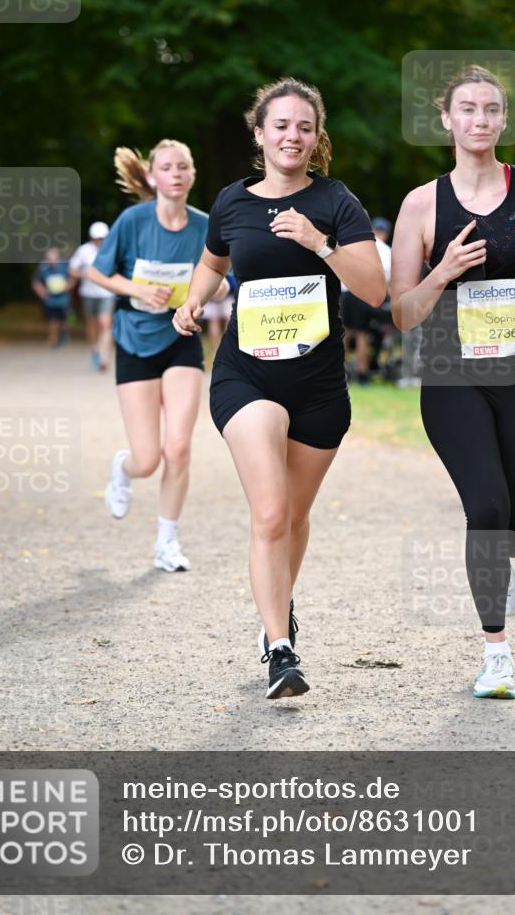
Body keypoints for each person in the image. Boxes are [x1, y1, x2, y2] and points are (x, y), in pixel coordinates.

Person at [173, 78, 386, 700]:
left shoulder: (336, 201)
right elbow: (214, 263)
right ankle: (280, 648)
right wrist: (193, 302)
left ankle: (278, 607)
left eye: (304, 127)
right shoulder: (232, 203)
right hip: (247, 376)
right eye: (281, 125)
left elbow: (374, 290)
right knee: (269, 512)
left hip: (319, 385)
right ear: (259, 132)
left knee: (294, 515)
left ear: (316, 138)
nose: (292, 136)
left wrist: (318, 242)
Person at [391, 65, 515, 699]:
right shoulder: (422, 204)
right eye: (467, 109)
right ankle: (495, 652)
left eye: (491, 110)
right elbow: (401, 311)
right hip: (453, 374)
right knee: (488, 510)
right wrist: (441, 271)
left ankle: (499, 563)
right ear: (445, 119)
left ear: (503, 120)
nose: (480, 119)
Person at [87, 140, 228, 572]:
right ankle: (123, 469)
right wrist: (139, 290)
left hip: (181, 338)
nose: (176, 174)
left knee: (179, 446)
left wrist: (199, 297)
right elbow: (96, 271)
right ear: (152, 177)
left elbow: (224, 283)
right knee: (147, 458)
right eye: (167, 167)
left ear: (192, 174)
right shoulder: (132, 221)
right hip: (134, 340)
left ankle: (167, 541)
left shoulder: (205, 226)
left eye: (183, 166)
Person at [340, 216, 392, 383]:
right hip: (364, 293)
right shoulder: (386, 250)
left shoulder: (355, 242)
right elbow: (388, 282)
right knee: (362, 333)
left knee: (344, 332)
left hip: (345, 291)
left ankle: (341, 370)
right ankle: (362, 373)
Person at [69, 221, 115, 371]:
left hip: (107, 292)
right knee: (92, 324)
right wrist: (84, 274)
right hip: (88, 293)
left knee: (106, 323)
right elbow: (72, 269)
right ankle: (94, 349)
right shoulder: (84, 251)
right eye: (97, 238)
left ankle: (104, 356)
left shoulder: (113, 249)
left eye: (102, 238)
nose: (99, 241)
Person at [31, 247, 74, 347]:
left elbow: (73, 277)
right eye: (49, 257)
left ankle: (64, 335)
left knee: (63, 320)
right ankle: (53, 339)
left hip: (63, 298)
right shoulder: (43, 267)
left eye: (53, 257)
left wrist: (67, 287)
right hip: (50, 299)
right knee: (52, 320)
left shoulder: (65, 265)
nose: (51, 259)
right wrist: (42, 292)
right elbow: (36, 282)